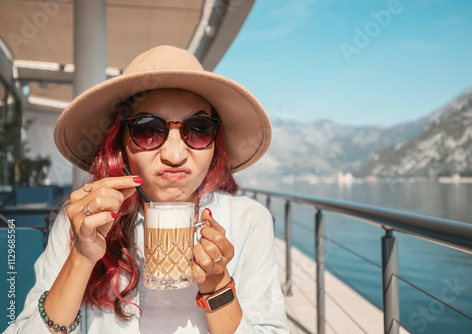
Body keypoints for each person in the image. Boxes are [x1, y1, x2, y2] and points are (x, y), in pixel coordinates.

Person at [5, 46, 288, 333]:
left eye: (198, 129)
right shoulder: (82, 222)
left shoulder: (248, 221)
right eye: (148, 130)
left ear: (216, 142)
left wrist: (217, 286)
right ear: (120, 144)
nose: (175, 155)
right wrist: (81, 257)